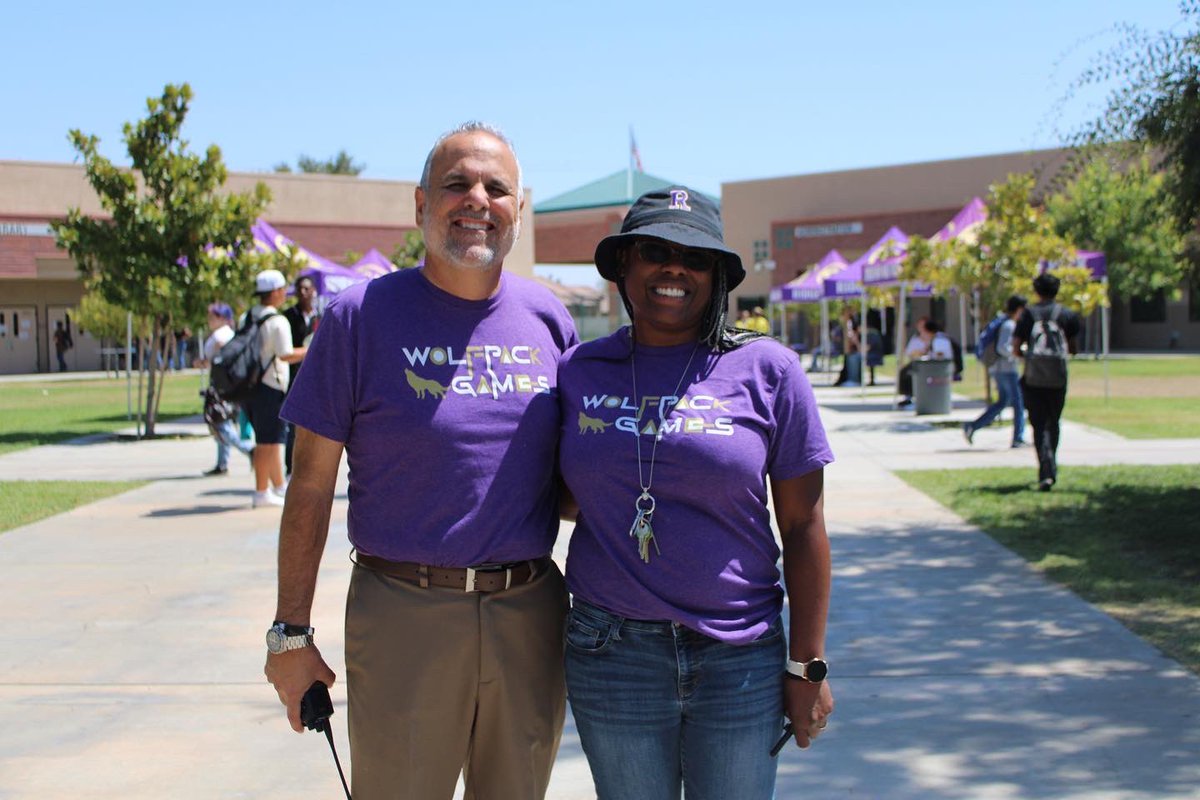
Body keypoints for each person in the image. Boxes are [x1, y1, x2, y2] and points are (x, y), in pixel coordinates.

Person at [264, 122, 579, 800]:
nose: (477, 200)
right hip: (403, 610)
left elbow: (579, 476)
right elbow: (311, 487)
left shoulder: (551, 322)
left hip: (529, 613)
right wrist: (290, 635)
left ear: (518, 211)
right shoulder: (357, 319)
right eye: (456, 184)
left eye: (497, 188)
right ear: (419, 204)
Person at [557, 187, 835, 799]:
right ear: (625, 265)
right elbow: (551, 491)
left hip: (740, 654)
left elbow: (804, 526)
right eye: (656, 251)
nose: (674, 268)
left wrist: (807, 665)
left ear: (717, 277)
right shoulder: (578, 371)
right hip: (612, 651)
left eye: (696, 257)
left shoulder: (769, 370)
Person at [1013, 273, 1080, 491]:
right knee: (1054, 421)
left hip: (1034, 377)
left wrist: (1029, 357)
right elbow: (1073, 348)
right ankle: (1051, 465)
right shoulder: (1066, 315)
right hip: (1057, 377)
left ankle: (1045, 468)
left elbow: (1016, 347)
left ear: (1036, 290)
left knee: (1038, 423)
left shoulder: (1028, 315)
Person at [246, 269, 306, 508]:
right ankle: (262, 491)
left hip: (252, 386)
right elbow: (285, 354)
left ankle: (276, 486)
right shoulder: (277, 321)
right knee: (267, 441)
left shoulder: (250, 316)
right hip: (271, 385)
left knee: (269, 439)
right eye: (282, 290)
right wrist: (310, 350)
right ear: (275, 292)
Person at [196, 303, 254, 475]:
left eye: (213, 317)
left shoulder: (223, 335)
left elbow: (222, 354)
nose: (210, 321)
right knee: (221, 420)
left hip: (222, 385)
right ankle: (222, 463)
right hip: (221, 383)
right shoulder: (225, 334)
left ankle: (249, 449)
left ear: (222, 318)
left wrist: (209, 360)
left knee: (221, 423)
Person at [963, 295, 1027, 448]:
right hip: (1007, 369)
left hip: (999, 369)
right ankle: (1018, 438)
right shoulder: (1009, 325)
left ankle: (973, 426)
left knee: (1002, 402)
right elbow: (1002, 347)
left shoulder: (1003, 322)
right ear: (1019, 309)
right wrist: (1018, 353)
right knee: (1018, 403)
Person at [282, 274, 319, 476]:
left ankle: (313, 469)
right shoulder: (287, 316)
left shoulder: (320, 317)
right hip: (293, 378)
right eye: (299, 289)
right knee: (292, 428)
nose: (303, 292)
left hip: (315, 379)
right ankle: (290, 470)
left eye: (306, 288)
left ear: (313, 291)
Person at [897, 316, 951, 406]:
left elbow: (939, 356)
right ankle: (908, 396)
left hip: (938, 367)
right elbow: (910, 353)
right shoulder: (917, 339)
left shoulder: (939, 340)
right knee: (905, 372)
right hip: (923, 364)